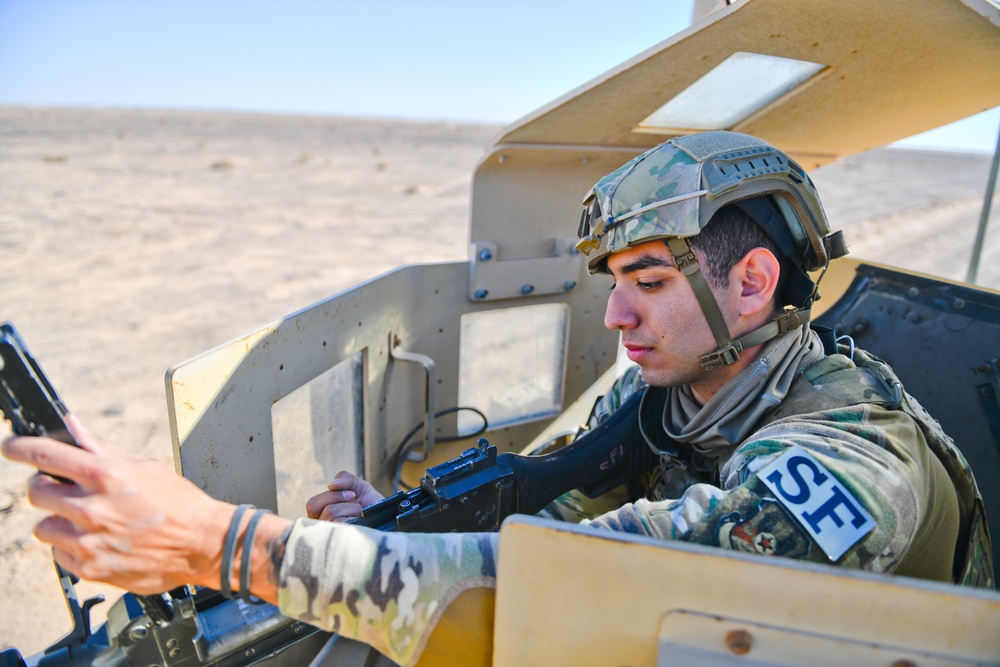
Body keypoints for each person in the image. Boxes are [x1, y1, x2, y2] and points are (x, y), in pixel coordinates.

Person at [3, 131, 993, 667]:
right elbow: (569, 499)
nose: (615, 317)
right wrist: (392, 532)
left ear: (750, 284)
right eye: (614, 284)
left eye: (647, 283)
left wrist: (225, 545)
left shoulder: (855, 461)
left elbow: (592, 587)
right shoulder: (691, 388)